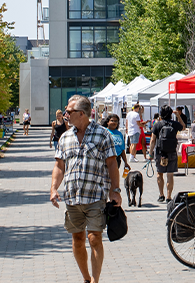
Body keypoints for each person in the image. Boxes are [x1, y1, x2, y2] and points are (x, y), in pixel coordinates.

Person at [50, 95, 121, 283]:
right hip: (72, 198)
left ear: (81, 113)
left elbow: (112, 164)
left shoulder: (102, 134)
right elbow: (59, 166)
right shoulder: (65, 137)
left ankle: (95, 281)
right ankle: (86, 278)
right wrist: (53, 189)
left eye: (69, 111)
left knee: (94, 237)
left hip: (95, 196)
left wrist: (116, 190)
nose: (65, 114)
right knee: (78, 240)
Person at [147, 105, 185, 203]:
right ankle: (169, 196)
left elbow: (153, 140)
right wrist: (178, 116)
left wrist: (150, 154)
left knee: (159, 174)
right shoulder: (174, 124)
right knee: (170, 175)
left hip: (160, 153)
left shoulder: (157, 125)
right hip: (172, 152)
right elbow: (183, 127)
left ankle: (161, 195)